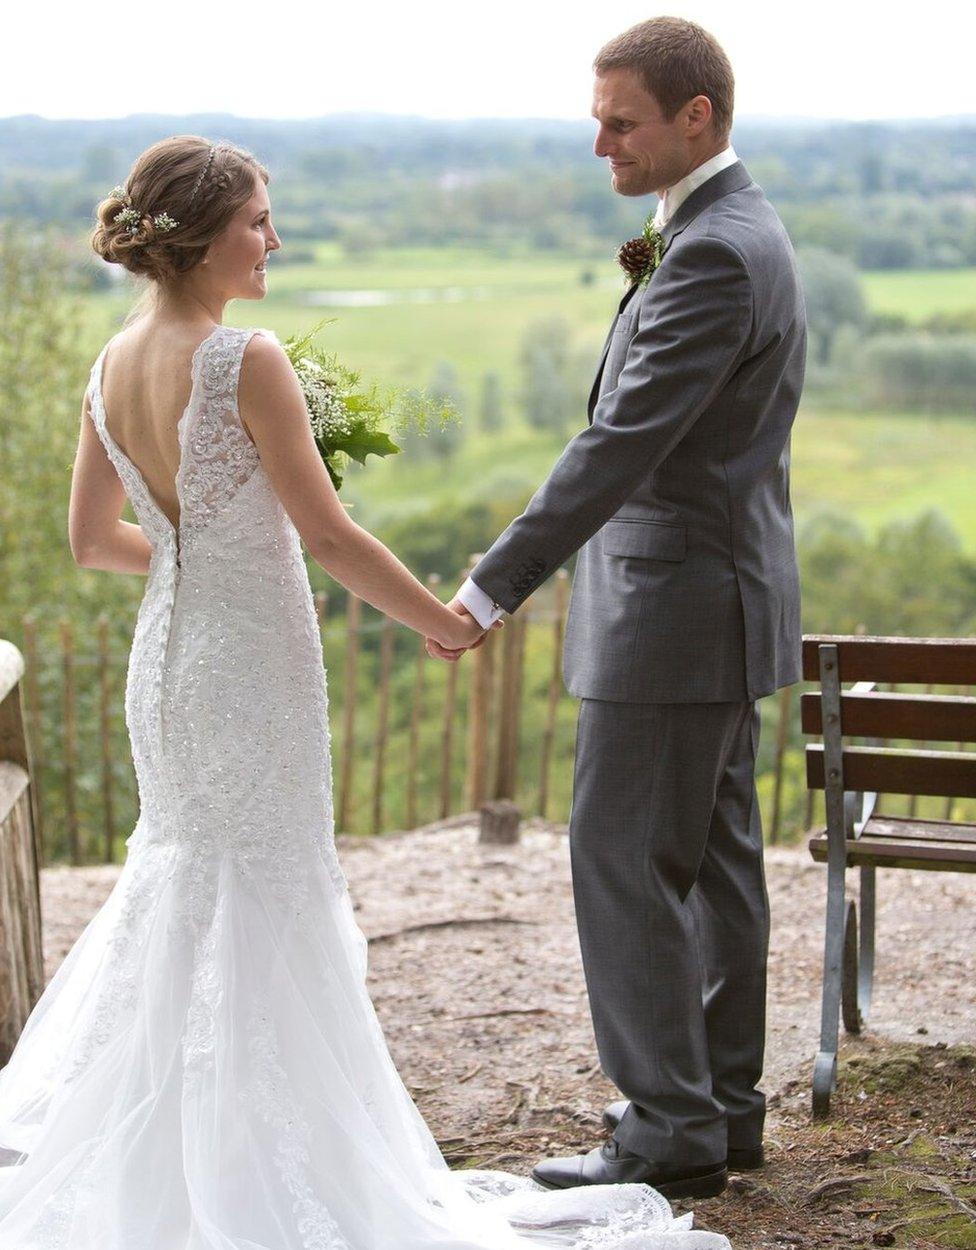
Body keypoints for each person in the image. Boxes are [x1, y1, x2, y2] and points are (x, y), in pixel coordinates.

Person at [0, 134, 731, 1249]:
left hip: (168, 660)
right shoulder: (243, 358)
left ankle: (172, 1153)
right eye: (257, 220)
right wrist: (445, 618)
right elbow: (329, 534)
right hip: (247, 663)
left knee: (187, 875)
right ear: (198, 233)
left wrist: (205, 562)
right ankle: (268, 1166)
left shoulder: (110, 362)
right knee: (264, 883)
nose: (274, 239)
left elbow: (90, 542)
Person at [430, 16, 806, 1202]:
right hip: (725, 595)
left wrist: (493, 580)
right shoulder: (731, 227)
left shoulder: (708, 252)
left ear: (697, 115)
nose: (599, 143)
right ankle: (720, 1105)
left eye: (620, 120)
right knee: (715, 861)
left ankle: (664, 1125)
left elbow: (619, 444)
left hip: (671, 609)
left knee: (623, 859)